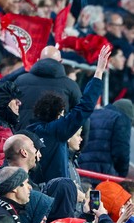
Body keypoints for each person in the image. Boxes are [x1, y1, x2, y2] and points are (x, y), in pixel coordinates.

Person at [29, 45, 110, 183]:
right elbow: (85, 105)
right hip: (55, 193)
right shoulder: (57, 130)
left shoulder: (29, 132)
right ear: (59, 113)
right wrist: (98, 72)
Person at [15, 46, 82, 128]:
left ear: (38, 60)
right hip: (55, 137)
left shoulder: (20, 80)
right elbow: (80, 116)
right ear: (60, 62)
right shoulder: (71, 85)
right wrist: (84, 139)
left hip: (22, 136)